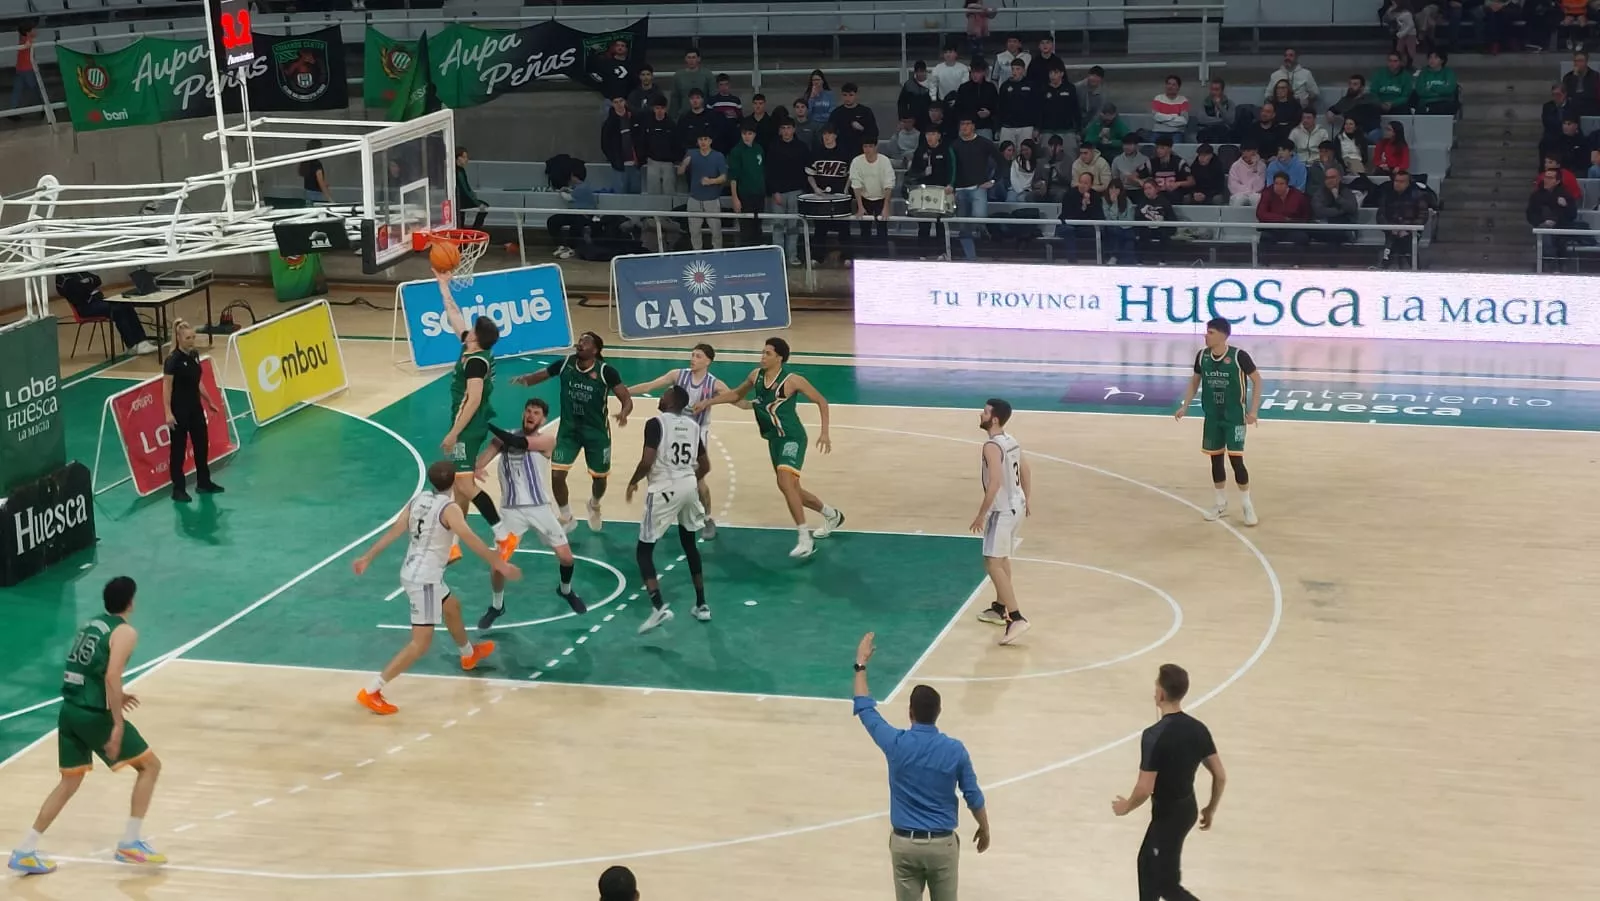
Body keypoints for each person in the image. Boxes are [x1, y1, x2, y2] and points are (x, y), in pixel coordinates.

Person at [9, 577, 167, 875]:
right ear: (131, 601)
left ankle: (25, 850)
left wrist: (120, 695)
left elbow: (84, 668)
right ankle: (130, 843)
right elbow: (111, 675)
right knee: (150, 767)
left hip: (69, 710)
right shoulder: (125, 632)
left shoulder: (91, 625)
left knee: (69, 782)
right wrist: (118, 723)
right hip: (94, 714)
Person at [352, 461, 519, 715]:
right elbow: (470, 538)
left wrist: (368, 556)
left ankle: (468, 654)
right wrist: (498, 562)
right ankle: (372, 690)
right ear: (453, 482)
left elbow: (396, 530)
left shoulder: (418, 500)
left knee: (452, 607)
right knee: (420, 644)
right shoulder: (450, 509)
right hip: (425, 580)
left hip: (413, 570)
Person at [852, 632, 990, 901]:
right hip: (941, 846)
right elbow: (973, 795)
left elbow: (865, 709)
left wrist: (861, 664)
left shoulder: (896, 743)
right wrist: (984, 827)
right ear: (938, 712)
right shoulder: (955, 750)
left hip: (905, 845)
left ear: (910, 713)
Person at [694, 337, 843, 559]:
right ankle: (832, 515)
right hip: (774, 440)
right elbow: (736, 394)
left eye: (767, 353)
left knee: (784, 481)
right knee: (792, 489)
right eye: (762, 353)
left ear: (779, 357)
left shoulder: (793, 380)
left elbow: (821, 401)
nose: (762, 357)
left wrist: (824, 433)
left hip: (792, 437)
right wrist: (708, 402)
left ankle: (805, 538)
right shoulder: (756, 376)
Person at [1111, 664, 1227, 901]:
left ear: (1161, 693)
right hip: (1187, 810)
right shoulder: (1198, 729)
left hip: (1168, 817)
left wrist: (1126, 807)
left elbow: (1145, 788)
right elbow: (1220, 775)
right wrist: (1210, 809)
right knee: (1149, 866)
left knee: (1165, 884)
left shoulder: (1154, 735)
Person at [473, 399, 588, 631]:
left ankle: (565, 590)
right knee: (498, 565)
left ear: (543, 419)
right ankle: (497, 606)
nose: (531, 415)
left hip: (539, 508)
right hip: (510, 512)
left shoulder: (546, 441)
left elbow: (517, 442)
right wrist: (477, 467)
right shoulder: (501, 439)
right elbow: (482, 460)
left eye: (536, 413)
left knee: (566, 558)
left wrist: (487, 424)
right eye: (528, 411)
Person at [511, 332, 633, 532]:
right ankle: (567, 517)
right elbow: (540, 375)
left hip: (596, 434)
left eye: (586, 342)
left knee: (599, 479)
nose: (580, 344)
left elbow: (626, 400)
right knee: (557, 475)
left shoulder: (606, 372)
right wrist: (522, 380)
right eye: (580, 340)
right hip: (569, 431)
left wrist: (624, 413)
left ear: (595, 350)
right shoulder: (566, 363)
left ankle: (594, 504)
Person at [626, 385, 712, 634]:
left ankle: (658, 606)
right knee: (689, 543)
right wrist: (688, 480)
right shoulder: (694, 426)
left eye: (664, 394)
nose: (660, 397)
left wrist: (633, 481)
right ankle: (702, 604)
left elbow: (647, 461)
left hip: (664, 487)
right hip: (688, 484)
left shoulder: (655, 423)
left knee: (644, 550)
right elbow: (705, 465)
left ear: (672, 401)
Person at [436, 273, 504, 562]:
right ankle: (452, 545)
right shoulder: (472, 347)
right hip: (468, 423)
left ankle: (502, 532)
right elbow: (454, 316)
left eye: (473, 329)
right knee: (460, 493)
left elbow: (474, 400)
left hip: (469, 424)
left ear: (477, 337)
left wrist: (454, 433)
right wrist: (443, 284)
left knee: (463, 484)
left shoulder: (476, 362)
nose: (468, 330)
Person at [625, 344, 724, 538]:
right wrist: (624, 392)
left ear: (708, 361)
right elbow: (649, 386)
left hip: (695, 433)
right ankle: (669, 507)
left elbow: (734, 397)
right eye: (692, 354)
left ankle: (707, 518)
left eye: (698, 356)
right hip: (671, 428)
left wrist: (709, 402)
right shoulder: (678, 375)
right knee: (657, 468)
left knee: (699, 479)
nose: (693, 358)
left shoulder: (714, 384)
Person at [1175, 318, 1262, 526]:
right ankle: (1220, 504)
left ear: (1223, 336)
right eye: (1207, 332)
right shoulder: (1202, 356)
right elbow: (1195, 381)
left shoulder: (1239, 356)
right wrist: (1185, 405)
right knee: (1215, 460)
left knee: (1236, 461)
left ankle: (1247, 505)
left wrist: (1254, 411)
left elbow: (1257, 380)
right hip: (1212, 417)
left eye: (1211, 332)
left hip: (1234, 418)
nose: (1206, 335)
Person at [969, 399, 1032, 645]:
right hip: (1017, 505)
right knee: (1002, 558)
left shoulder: (991, 446)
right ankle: (999, 607)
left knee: (993, 562)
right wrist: (1028, 499)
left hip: (1002, 510)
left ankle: (1015, 617)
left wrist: (981, 514)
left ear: (994, 419)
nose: (980, 414)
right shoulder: (1011, 440)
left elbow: (994, 483)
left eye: (984, 412)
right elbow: (1026, 471)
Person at [162, 319, 224, 503]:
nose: (192, 341)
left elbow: (197, 382)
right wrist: (167, 412)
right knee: (178, 451)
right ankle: (178, 489)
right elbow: (166, 388)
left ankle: (203, 482)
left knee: (201, 444)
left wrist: (209, 401)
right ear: (179, 339)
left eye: (193, 337)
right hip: (179, 411)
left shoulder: (194, 355)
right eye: (188, 338)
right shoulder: (172, 360)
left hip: (195, 408)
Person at [455, 147, 489, 229]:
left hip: (459, 200)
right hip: (460, 201)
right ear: (458, 158)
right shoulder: (458, 172)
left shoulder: (459, 170)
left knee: (460, 220)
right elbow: (465, 189)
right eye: (465, 157)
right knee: (485, 207)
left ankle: (470, 231)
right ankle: (475, 230)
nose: (467, 159)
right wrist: (477, 203)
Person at [300, 139, 332, 204]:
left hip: (307, 191)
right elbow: (321, 183)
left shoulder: (305, 161)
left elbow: (308, 176)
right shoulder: (316, 164)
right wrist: (330, 199)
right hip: (315, 194)